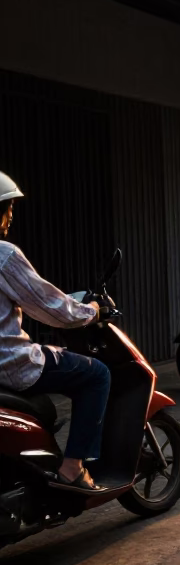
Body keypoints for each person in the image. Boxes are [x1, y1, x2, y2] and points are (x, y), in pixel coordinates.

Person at [0, 173, 109, 493]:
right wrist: (91, 311)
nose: (10, 217)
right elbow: (49, 307)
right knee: (98, 374)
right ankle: (73, 467)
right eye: (8, 209)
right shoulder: (4, 255)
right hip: (10, 363)